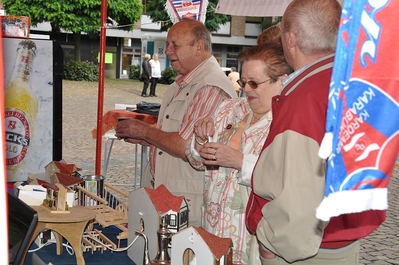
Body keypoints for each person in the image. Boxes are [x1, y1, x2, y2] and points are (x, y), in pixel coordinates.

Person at [245, 0, 386, 264]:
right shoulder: (352, 82)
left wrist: (271, 244)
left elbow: (298, 200)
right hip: (342, 239)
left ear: (290, 38)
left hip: (310, 251)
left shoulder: (305, 97)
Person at [115, 18, 237, 226]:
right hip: (167, 195)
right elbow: (177, 133)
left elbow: (186, 147)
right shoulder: (182, 84)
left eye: (175, 45)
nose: (168, 51)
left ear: (198, 46)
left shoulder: (210, 87)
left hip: (185, 204)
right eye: (168, 44)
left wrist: (145, 132)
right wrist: (151, 139)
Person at [186, 44, 293, 265]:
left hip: (251, 239)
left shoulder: (288, 123)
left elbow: (286, 176)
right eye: (243, 82)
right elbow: (197, 161)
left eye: (254, 83)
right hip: (213, 226)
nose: (246, 89)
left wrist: (239, 161)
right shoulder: (229, 108)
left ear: (282, 80)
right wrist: (200, 139)